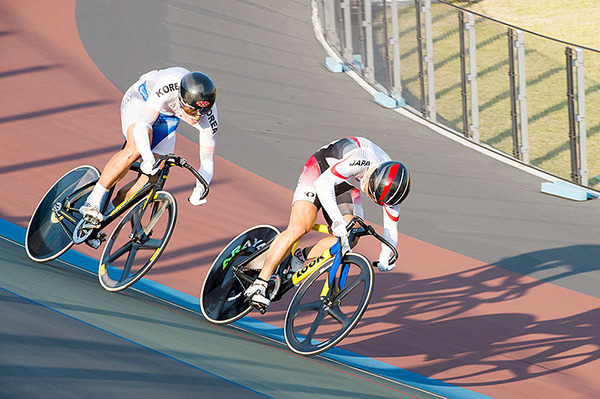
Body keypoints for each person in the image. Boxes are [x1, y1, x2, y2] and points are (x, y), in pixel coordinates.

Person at [244, 136, 410, 308]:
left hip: (347, 185)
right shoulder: (362, 158)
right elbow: (323, 184)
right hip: (322, 170)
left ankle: (301, 257)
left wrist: (385, 255)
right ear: (374, 175)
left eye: (373, 198)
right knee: (301, 226)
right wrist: (337, 221)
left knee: (351, 236)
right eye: (369, 189)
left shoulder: (394, 191)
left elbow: (390, 229)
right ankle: (259, 284)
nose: (368, 194)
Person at [79, 67, 219, 247]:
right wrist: (146, 158)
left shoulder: (208, 114)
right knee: (136, 148)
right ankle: (92, 202)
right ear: (181, 100)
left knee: (152, 178)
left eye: (203, 112)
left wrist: (200, 190)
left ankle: (102, 217)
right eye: (192, 112)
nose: (197, 117)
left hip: (168, 119)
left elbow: (207, 160)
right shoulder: (168, 85)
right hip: (142, 100)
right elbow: (143, 126)